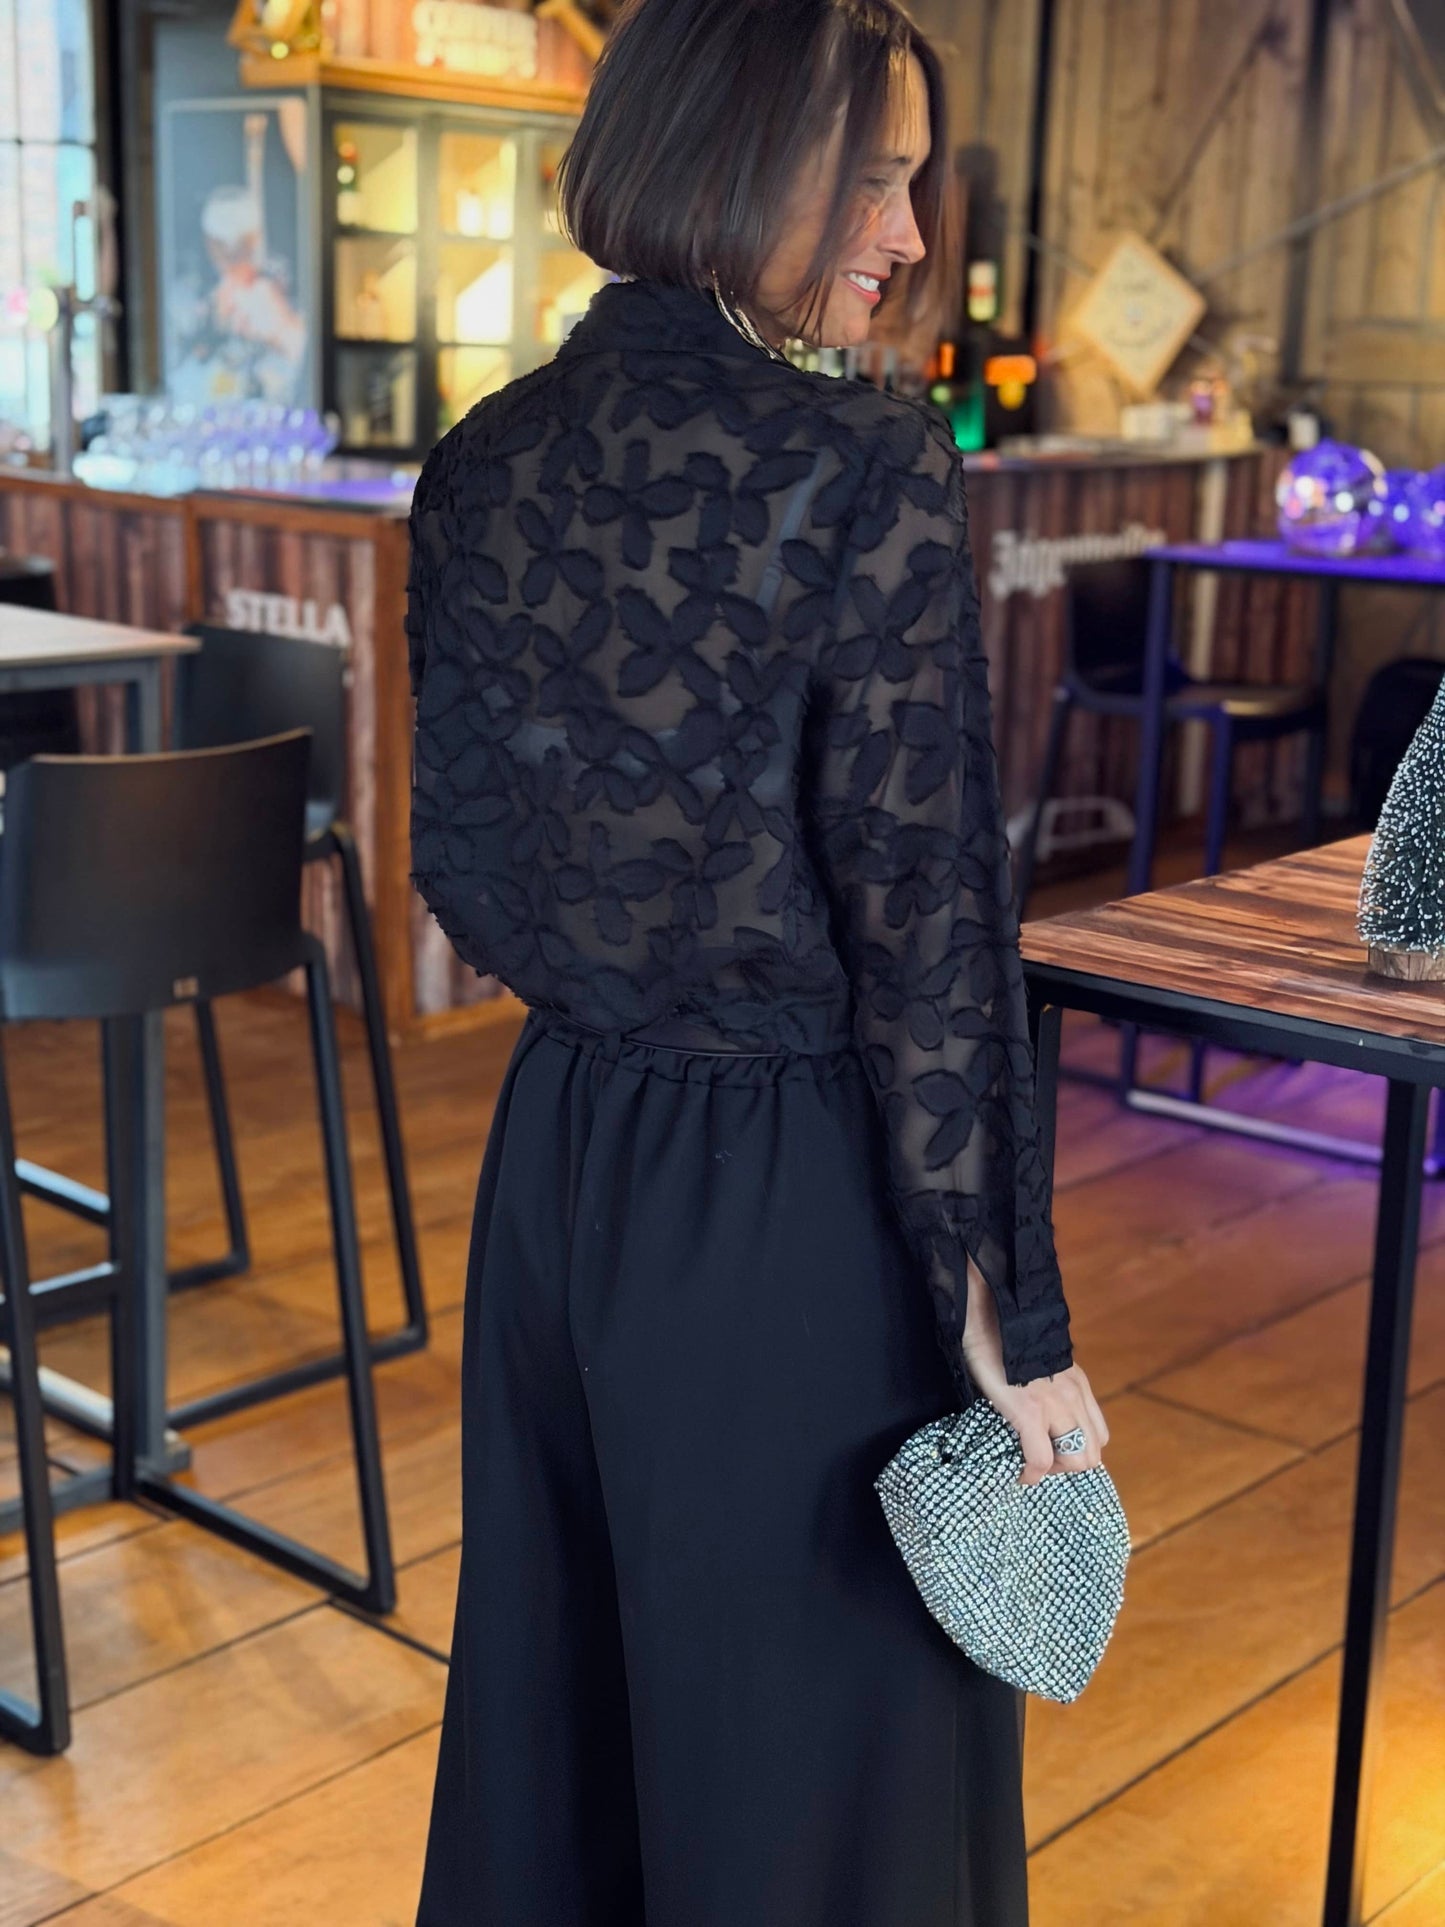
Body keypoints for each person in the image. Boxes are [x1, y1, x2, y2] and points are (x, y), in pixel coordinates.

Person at [407, 1, 1108, 1920]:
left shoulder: (481, 459)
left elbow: (461, 861)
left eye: (912, 181)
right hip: (795, 1191)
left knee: (563, 1733)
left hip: (560, 1161)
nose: (908, 233)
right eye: (870, 178)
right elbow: (925, 912)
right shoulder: (860, 461)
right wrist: (1013, 1310)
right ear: (731, 158)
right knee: (825, 1784)